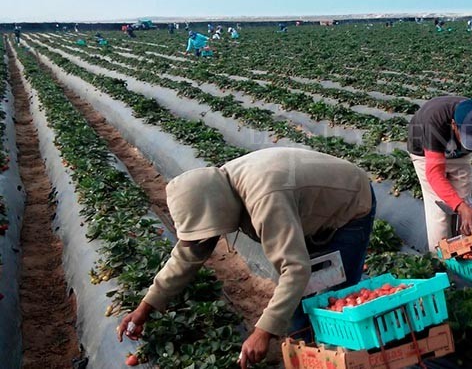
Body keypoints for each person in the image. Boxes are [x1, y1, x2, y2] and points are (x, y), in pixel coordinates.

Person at [116, 148, 376, 368]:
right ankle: (311, 354)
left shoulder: (263, 199)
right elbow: (188, 255)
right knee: (302, 302)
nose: (209, 237)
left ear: (217, 210)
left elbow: (296, 269)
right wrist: (144, 308)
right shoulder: (220, 189)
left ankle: (349, 357)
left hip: (349, 206)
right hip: (308, 212)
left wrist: (262, 332)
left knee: (335, 302)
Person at [408, 97, 472, 251]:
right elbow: (434, 174)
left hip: (459, 155)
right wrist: (460, 206)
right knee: (439, 207)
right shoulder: (435, 120)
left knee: (465, 200)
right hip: (424, 153)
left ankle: (466, 250)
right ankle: (441, 256)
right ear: (454, 125)